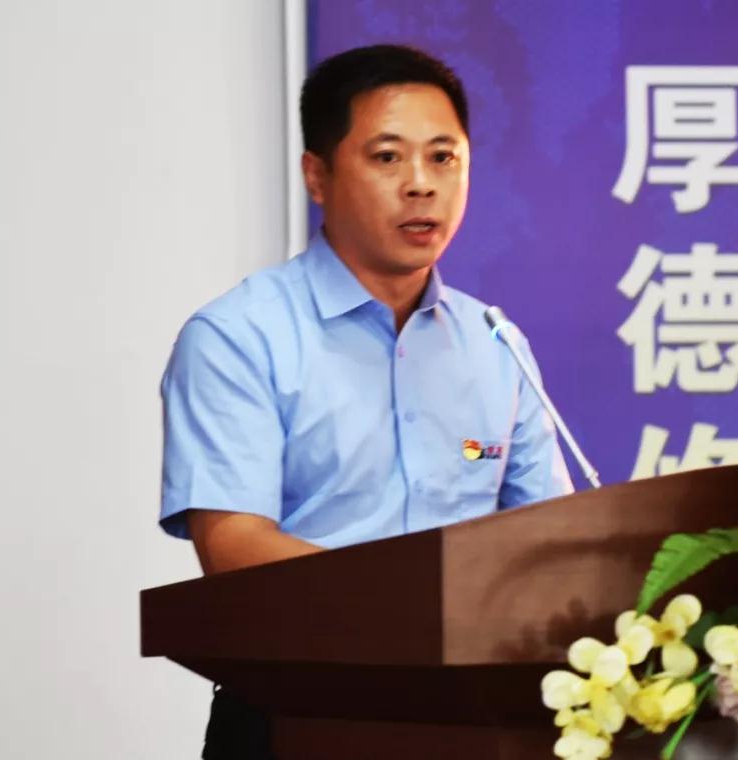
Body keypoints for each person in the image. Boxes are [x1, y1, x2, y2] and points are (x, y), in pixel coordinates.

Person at [157, 44, 574, 758]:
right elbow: (233, 546)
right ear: (316, 176)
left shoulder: (494, 342)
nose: (422, 185)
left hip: (474, 719)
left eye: (444, 157)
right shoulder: (238, 336)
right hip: (297, 714)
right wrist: (425, 606)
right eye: (387, 157)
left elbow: (550, 539)